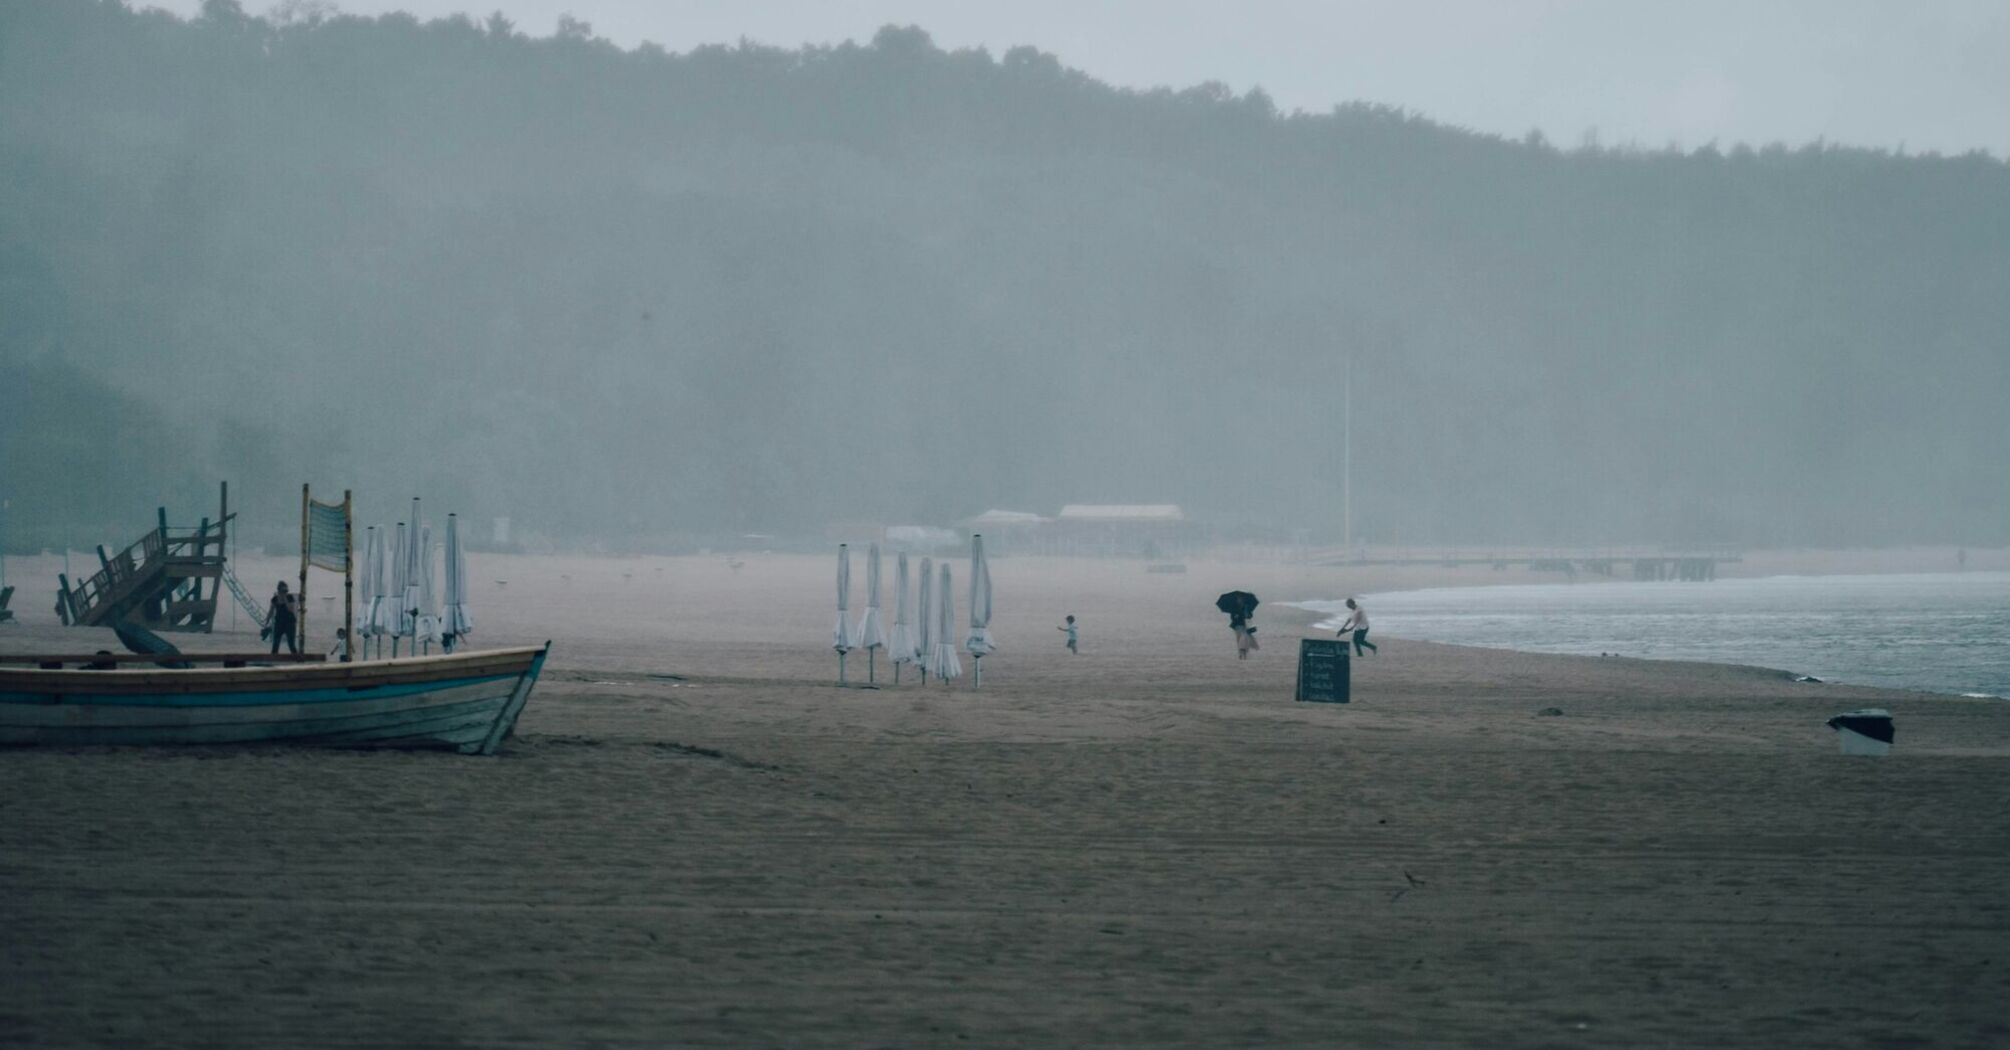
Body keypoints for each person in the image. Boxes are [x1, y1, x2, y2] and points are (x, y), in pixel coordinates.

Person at [266, 581, 300, 656]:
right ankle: (273, 657)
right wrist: (267, 620)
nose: (284, 593)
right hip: (279, 622)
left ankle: (296, 658)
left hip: (289, 622)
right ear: (279, 590)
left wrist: (285, 600)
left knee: (291, 643)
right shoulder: (275, 599)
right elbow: (271, 610)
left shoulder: (289, 597)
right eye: (283, 591)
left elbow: (291, 609)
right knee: (276, 642)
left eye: (286, 591)